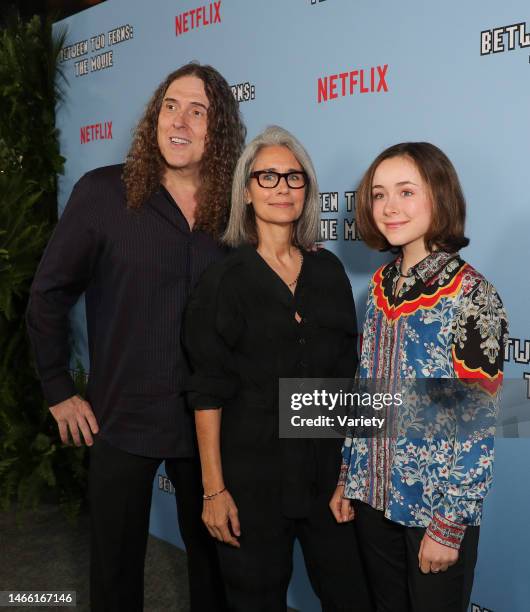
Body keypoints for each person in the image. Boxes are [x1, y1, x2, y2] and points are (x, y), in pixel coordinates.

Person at [26, 62, 246, 612]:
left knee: (217, 569)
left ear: (217, 131)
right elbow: (49, 292)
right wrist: (56, 387)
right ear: (155, 117)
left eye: (199, 111)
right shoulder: (105, 193)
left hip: (209, 424)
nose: (181, 120)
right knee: (116, 572)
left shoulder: (236, 212)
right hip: (121, 418)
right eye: (171, 105)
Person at [183, 126, 373, 612]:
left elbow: (347, 379)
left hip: (327, 478)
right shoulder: (222, 280)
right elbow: (207, 390)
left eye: (294, 177)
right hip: (251, 481)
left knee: (352, 596)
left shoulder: (328, 272)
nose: (282, 187)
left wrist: (349, 475)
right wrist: (214, 491)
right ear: (245, 190)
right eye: (267, 176)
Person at [330, 142, 508, 612]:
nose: (390, 207)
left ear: (439, 197)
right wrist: (350, 475)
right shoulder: (380, 287)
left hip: (433, 512)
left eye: (406, 191)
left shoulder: (473, 295)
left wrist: (449, 526)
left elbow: (477, 425)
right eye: (379, 194)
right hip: (372, 501)